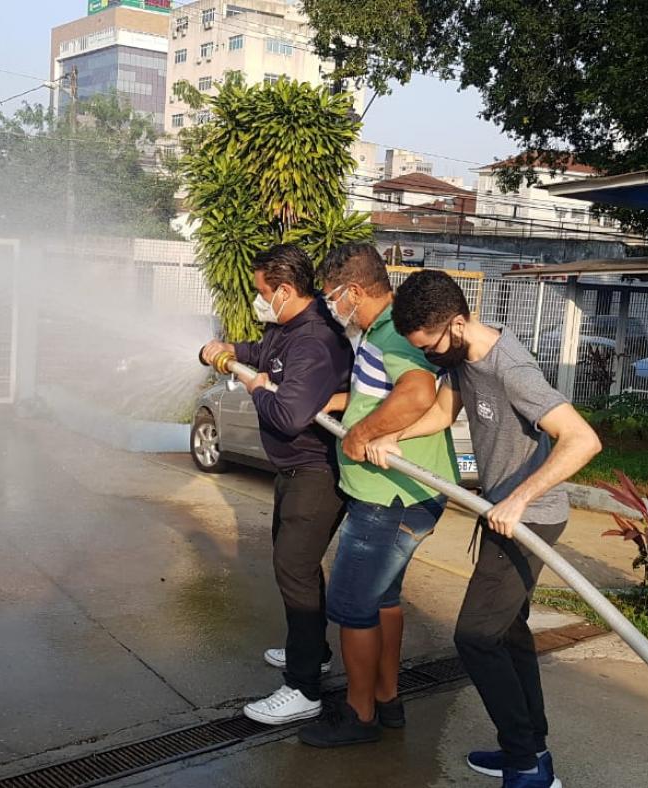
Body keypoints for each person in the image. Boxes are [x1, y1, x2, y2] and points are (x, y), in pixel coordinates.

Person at [368, 269, 602, 788]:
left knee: (475, 637)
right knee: (509, 635)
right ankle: (529, 749)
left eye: (430, 346)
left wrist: (518, 500)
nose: (429, 357)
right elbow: (445, 411)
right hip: (505, 513)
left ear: (455, 322)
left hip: (530, 519)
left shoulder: (511, 366)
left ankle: (527, 765)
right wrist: (395, 436)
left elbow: (583, 440)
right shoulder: (462, 356)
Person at [297, 244, 460, 748]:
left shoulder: (392, 331)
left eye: (332, 296)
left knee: (351, 607)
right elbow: (386, 389)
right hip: (399, 497)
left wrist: (358, 432)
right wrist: (345, 402)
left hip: (389, 503)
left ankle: (358, 714)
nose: (330, 306)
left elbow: (415, 395)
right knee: (384, 600)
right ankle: (387, 700)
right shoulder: (382, 328)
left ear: (354, 291)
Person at [198, 244, 353, 725]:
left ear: (285, 290)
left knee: (294, 570)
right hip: (293, 473)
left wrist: (257, 387)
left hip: (316, 474)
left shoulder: (313, 341)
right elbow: (261, 353)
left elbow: (288, 415)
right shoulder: (286, 329)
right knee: (300, 569)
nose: (259, 300)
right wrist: (229, 352)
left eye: (263, 292)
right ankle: (312, 651)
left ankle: (304, 689)